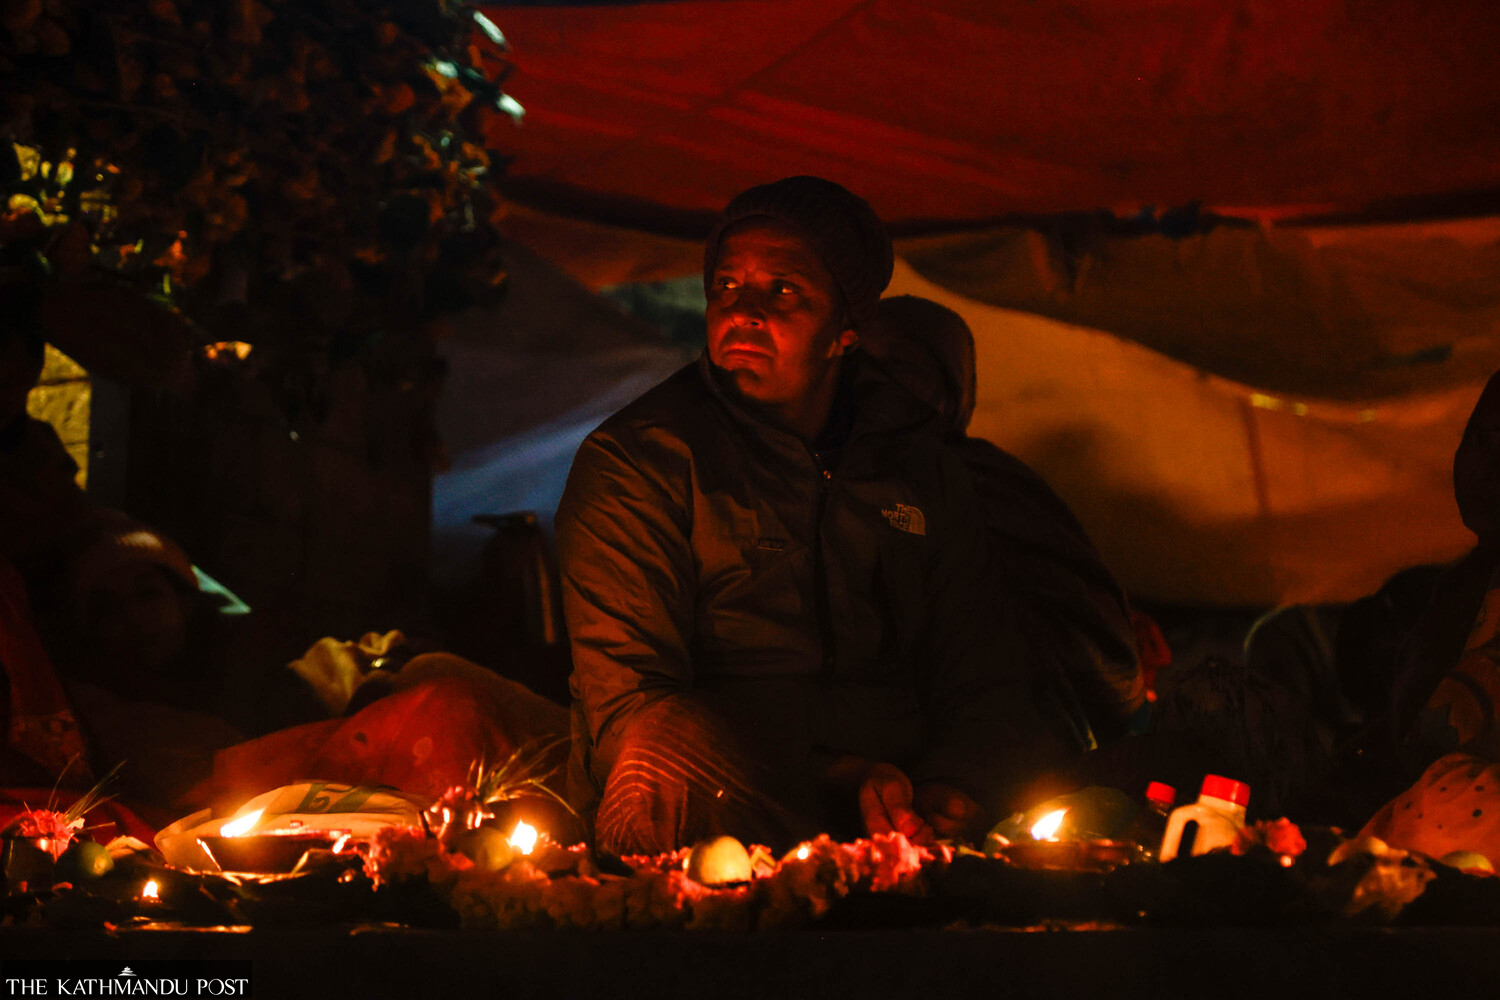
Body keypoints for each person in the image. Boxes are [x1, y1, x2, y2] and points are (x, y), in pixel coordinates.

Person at [557, 177, 1067, 855]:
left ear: (846, 331)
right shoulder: (641, 460)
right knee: (666, 749)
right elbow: (624, 712)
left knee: (1090, 787)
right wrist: (840, 778)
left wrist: (956, 785)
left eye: (784, 290)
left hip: (900, 799)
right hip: (725, 798)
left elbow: (983, 673)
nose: (743, 313)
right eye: (727, 287)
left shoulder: (918, 467)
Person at [862, 295, 1143, 747]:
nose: (872, 380)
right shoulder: (808, 478)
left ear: (949, 390)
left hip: (1009, 743)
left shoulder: (983, 482)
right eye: (857, 363)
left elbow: (1091, 642)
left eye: (898, 363)